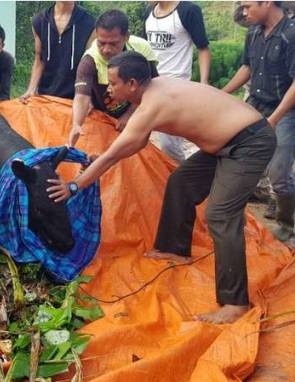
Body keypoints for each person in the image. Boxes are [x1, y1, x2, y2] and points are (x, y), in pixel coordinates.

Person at [48, 51, 276, 324]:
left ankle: (235, 303)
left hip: (249, 142)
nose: (108, 89)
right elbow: (133, 145)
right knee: (181, 182)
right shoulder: (151, 93)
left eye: (113, 83)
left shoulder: (151, 106)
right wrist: (96, 163)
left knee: (219, 215)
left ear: (132, 84)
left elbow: (113, 156)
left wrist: (74, 186)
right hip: (225, 143)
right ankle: (174, 248)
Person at [223, 1, 295, 242]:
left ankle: (286, 225)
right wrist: (222, 93)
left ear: (266, 3)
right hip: (255, 103)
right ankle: (233, 215)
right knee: (233, 152)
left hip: (285, 111)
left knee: (279, 173)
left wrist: (274, 118)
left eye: (247, 6)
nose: (243, 12)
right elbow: (247, 67)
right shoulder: (253, 32)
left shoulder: (291, 34)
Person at [68, 10, 158, 147]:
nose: (106, 50)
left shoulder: (142, 48)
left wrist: (130, 114)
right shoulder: (89, 60)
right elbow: (81, 97)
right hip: (104, 114)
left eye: (113, 44)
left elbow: (152, 85)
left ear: (126, 37)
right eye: (101, 43)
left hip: (137, 109)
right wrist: (76, 124)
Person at [145, 1, 211, 162]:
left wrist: (203, 82)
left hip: (177, 87)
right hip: (151, 85)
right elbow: (145, 48)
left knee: (170, 144)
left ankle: (182, 179)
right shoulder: (148, 12)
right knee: (142, 137)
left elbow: (203, 48)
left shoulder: (188, 11)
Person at [20, 1, 96, 102]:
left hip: (75, 97)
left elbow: (89, 62)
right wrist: (31, 89)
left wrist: (87, 97)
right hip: (45, 95)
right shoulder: (39, 21)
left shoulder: (90, 23)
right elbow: (39, 59)